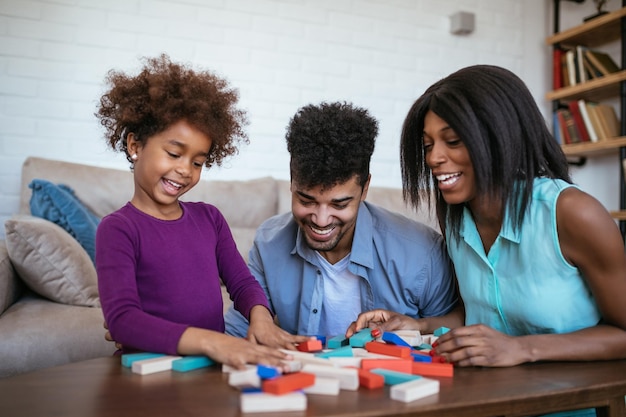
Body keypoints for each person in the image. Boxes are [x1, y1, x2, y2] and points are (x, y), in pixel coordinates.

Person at [351, 65, 626, 372]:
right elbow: (477, 316)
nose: (432, 158)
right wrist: (418, 325)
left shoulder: (573, 213)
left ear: (499, 137)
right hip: (490, 397)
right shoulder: (457, 216)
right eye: (428, 145)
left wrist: (521, 348)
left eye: (452, 141)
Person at [95, 54, 306, 370]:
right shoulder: (118, 229)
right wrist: (216, 341)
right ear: (135, 145)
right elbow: (123, 320)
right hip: (148, 372)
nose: (184, 170)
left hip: (208, 368)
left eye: (197, 162)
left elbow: (243, 284)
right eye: (174, 153)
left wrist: (261, 318)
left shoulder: (210, 219)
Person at [224, 101, 458, 343]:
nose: (321, 220)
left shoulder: (422, 252)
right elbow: (238, 330)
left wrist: (420, 326)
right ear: (292, 182)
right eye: (307, 200)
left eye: (339, 204)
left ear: (365, 187)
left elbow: (455, 328)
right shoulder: (269, 242)